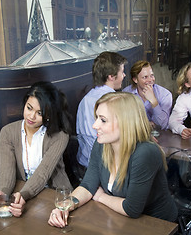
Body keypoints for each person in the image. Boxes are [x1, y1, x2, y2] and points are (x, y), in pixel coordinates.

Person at [48, 92, 178, 228]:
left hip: (158, 225)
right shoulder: (101, 145)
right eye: (97, 118)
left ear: (125, 123)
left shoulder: (145, 153)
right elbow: (87, 186)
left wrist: (100, 197)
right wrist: (66, 206)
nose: (95, 125)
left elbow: (131, 209)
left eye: (103, 120)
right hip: (120, 221)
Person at [0, 81, 73, 217]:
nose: (31, 116)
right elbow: (6, 171)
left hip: (55, 196)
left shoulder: (60, 136)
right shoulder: (8, 132)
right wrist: (2, 194)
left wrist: (23, 196)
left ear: (48, 114)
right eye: (29, 108)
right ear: (24, 104)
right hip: (23, 195)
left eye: (40, 113)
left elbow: (43, 173)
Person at [76, 52, 127, 171]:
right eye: (122, 72)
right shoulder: (113, 100)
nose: (124, 75)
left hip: (83, 163)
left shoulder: (86, 99)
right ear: (111, 76)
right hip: (105, 167)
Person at [122, 60, 172, 130]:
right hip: (136, 134)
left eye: (152, 75)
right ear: (135, 80)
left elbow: (162, 125)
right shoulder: (126, 93)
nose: (150, 80)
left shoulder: (165, 94)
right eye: (145, 77)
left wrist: (154, 102)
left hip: (160, 135)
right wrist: (145, 125)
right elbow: (124, 121)